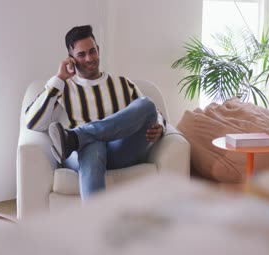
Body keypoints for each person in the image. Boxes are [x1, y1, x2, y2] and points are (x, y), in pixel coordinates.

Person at [25, 25, 165, 199]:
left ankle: (76, 137)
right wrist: (59, 78)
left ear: (98, 50)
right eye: (81, 55)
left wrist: (160, 124)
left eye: (92, 51)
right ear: (71, 59)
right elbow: (32, 122)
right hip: (83, 154)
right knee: (93, 145)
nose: (89, 58)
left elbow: (151, 112)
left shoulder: (122, 84)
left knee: (146, 103)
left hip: (119, 150)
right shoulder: (64, 87)